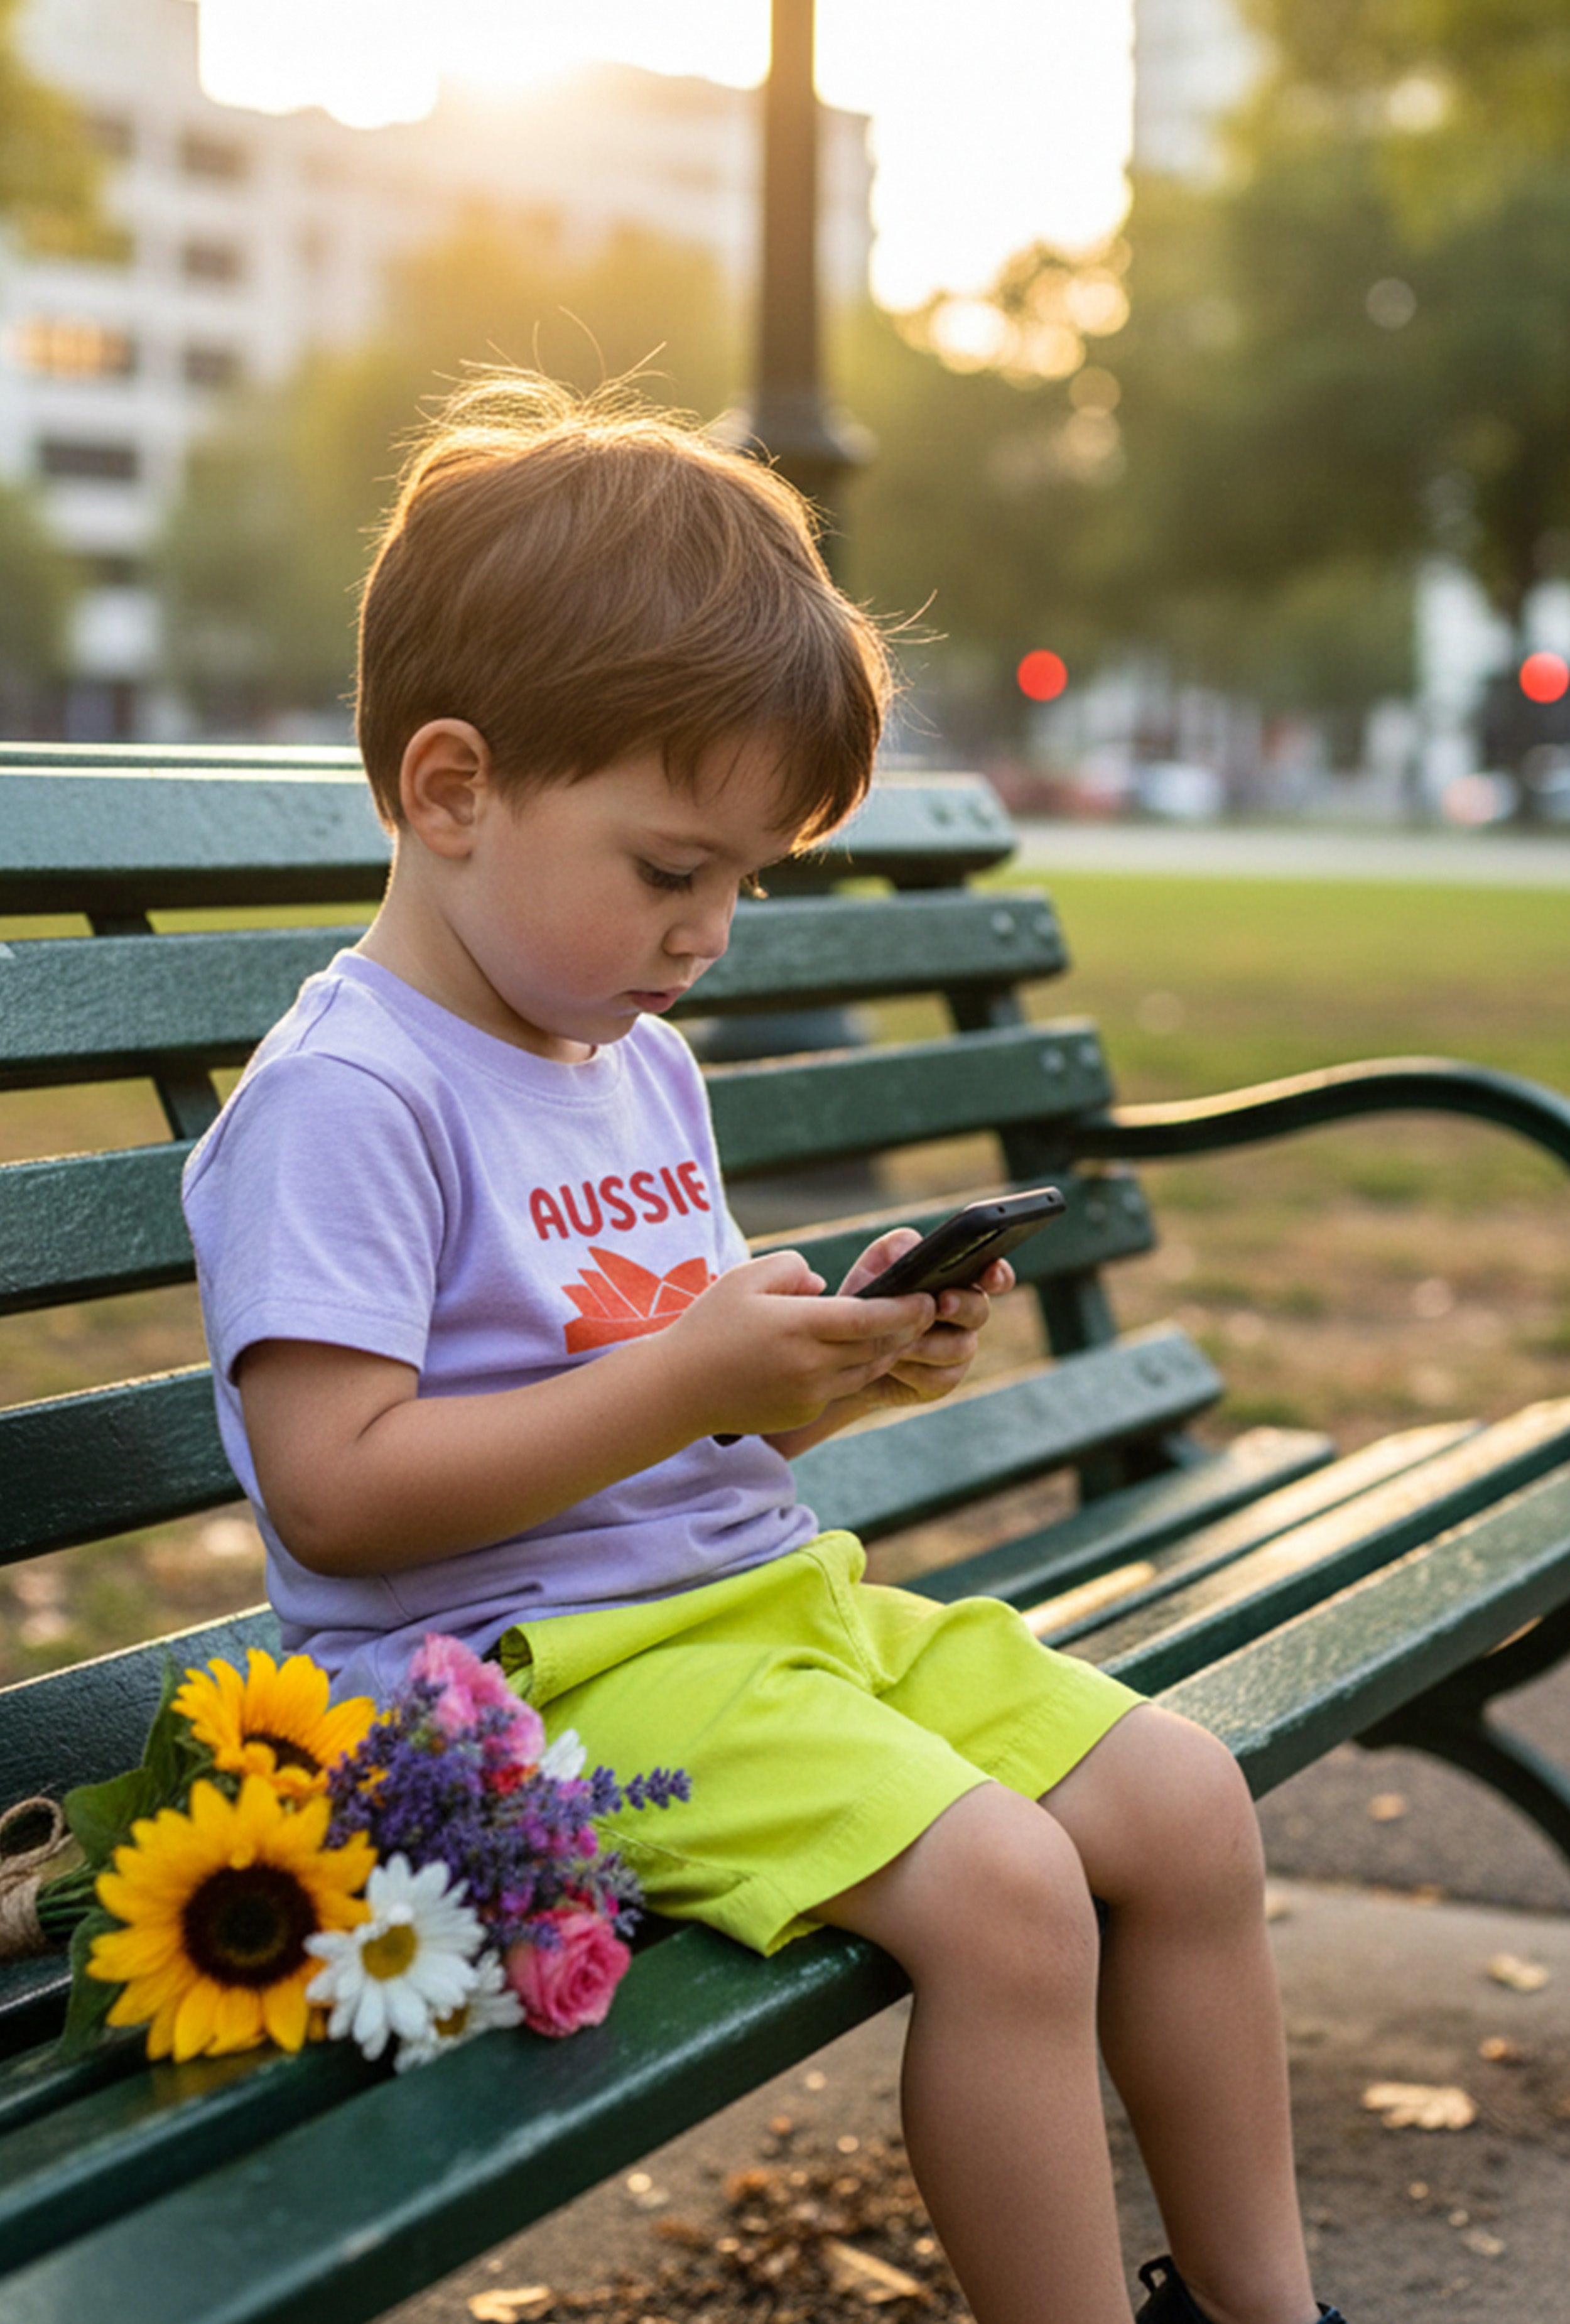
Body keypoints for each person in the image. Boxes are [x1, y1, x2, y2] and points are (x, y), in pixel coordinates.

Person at [181, 373, 1347, 2324]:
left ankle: (1260, 2309)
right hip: (513, 1693)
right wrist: (690, 1378)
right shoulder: (350, 1097)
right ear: (452, 790)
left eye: (746, 877)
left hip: (756, 1617)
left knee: (1179, 1802)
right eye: (671, 869)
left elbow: (691, 1418)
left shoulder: (631, 1061)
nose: (709, 931)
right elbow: (334, 1495)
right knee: (1005, 1895)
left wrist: (843, 1360)